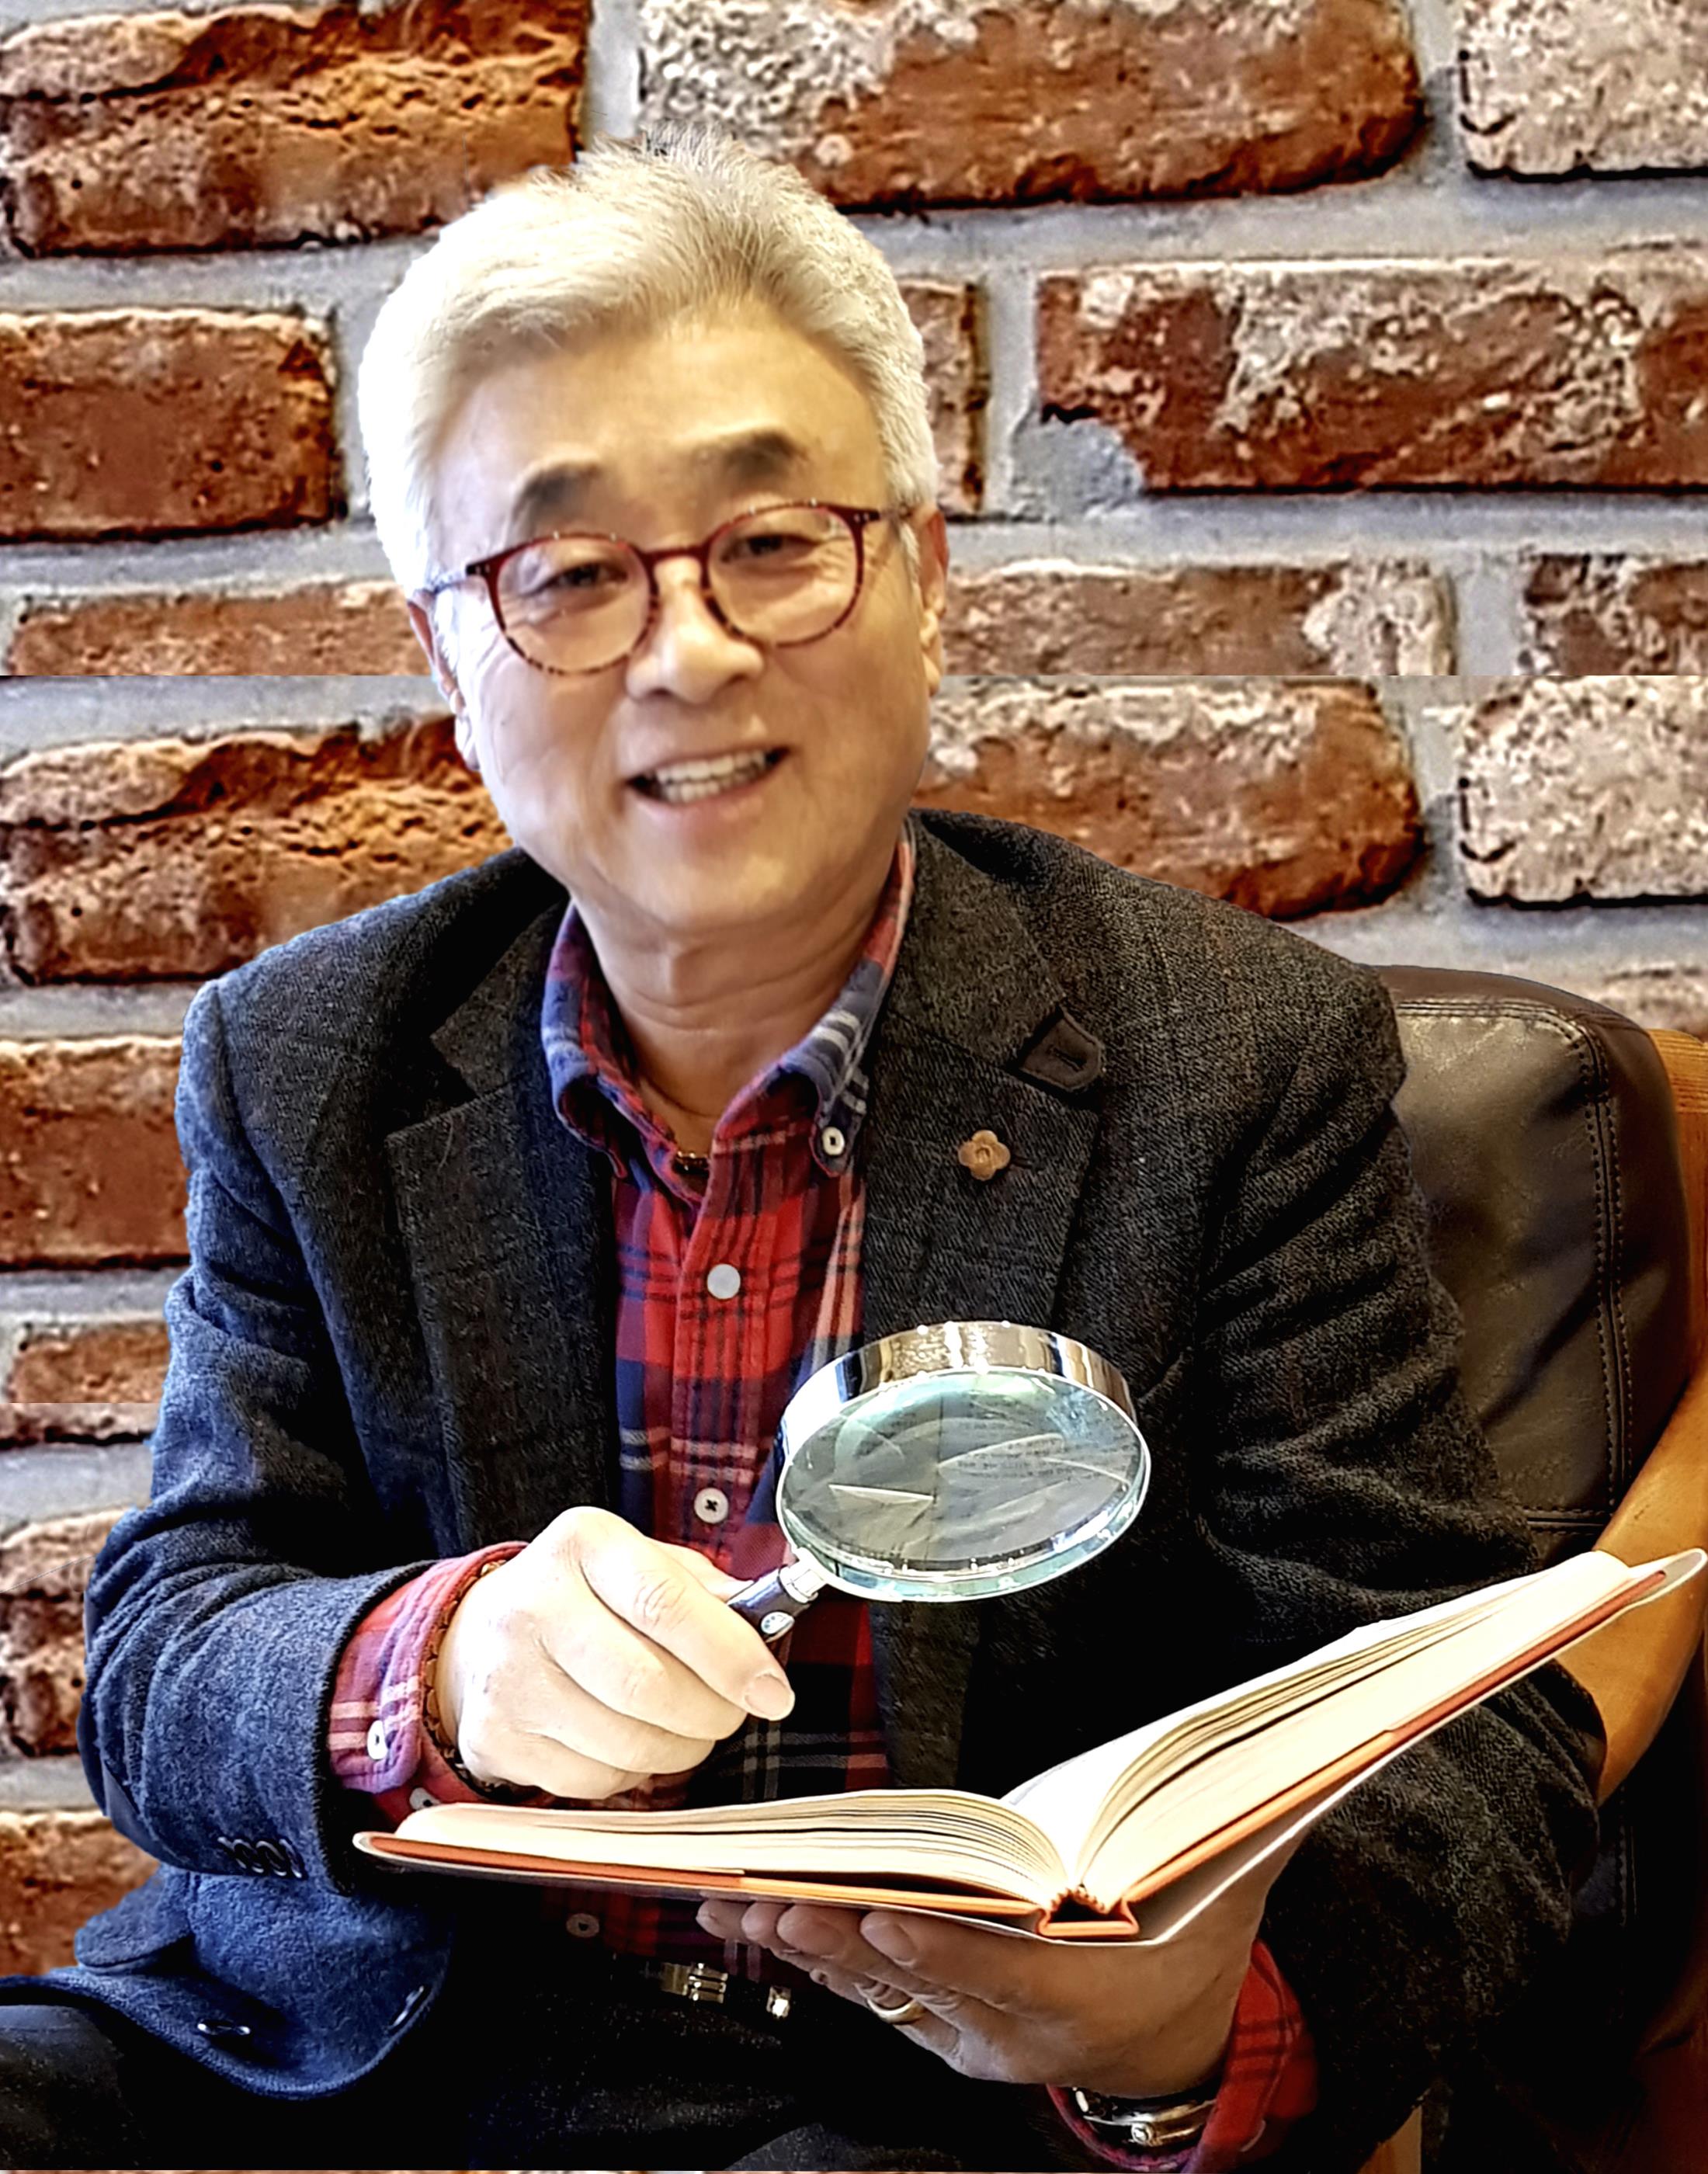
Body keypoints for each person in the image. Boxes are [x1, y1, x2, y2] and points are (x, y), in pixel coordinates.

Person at [0, 124, 1602, 2173]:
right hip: (352, 2061)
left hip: (911, 2103)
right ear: (449, 662)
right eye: (569, 576)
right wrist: (434, 1659)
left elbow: (1462, 1722)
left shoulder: (1234, 1058)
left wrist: (1186, 2016)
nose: (688, 651)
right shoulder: (309, 1058)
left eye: (772, 542)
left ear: (925, 581)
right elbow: (163, 1649)